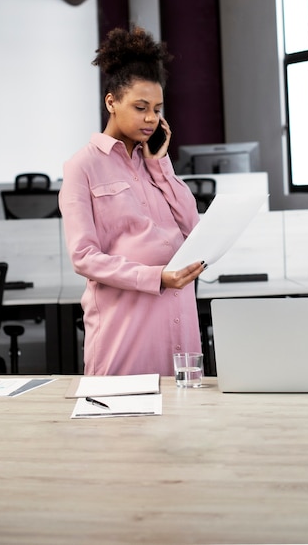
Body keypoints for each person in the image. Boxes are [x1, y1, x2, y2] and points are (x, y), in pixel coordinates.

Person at [59, 26, 205, 376]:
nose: (151, 118)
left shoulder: (155, 162)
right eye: (141, 107)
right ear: (111, 101)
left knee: (184, 421)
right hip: (125, 325)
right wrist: (157, 277)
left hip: (178, 316)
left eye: (157, 109)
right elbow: (84, 258)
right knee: (122, 426)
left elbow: (192, 227)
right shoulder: (83, 166)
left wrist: (160, 166)